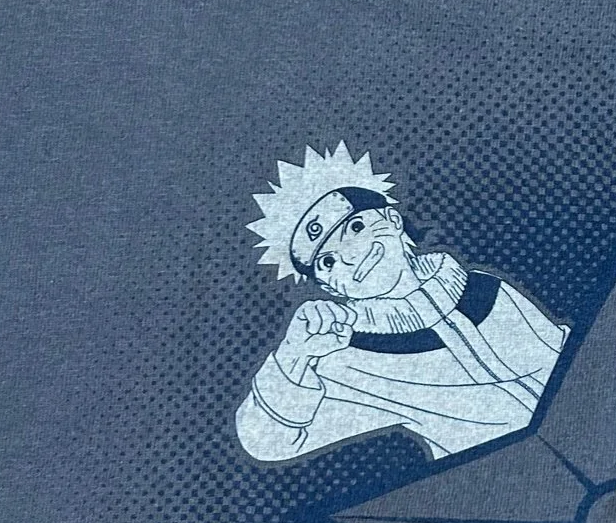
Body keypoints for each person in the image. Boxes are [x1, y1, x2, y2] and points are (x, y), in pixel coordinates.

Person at [235, 144, 568, 464]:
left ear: (393, 220)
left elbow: (560, 349)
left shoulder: (484, 288)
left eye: (355, 227)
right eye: (327, 261)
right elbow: (266, 441)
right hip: (510, 480)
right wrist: (294, 355)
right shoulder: (350, 360)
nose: (350, 256)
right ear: (327, 286)